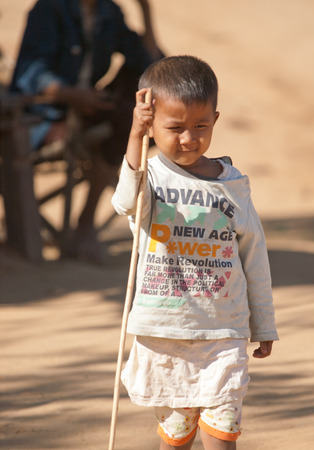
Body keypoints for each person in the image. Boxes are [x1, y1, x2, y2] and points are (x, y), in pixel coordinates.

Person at [111, 55, 279, 449]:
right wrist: (135, 137)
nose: (189, 138)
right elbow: (124, 201)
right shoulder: (148, 178)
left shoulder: (233, 185)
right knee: (178, 438)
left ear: (215, 120)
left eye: (201, 126)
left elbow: (254, 255)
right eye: (175, 128)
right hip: (163, 334)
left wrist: (264, 322)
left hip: (224, 331)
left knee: (221, 434)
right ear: (151, 124)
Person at [9, 0, 163, 262]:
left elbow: (151, 63)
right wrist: (72, 96)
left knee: (141, 97)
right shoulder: (49, 9)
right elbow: (30, 73)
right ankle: (84, 228)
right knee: (118, 126)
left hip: (89, 109)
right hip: (43, 113)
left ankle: (85, 223)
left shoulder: (108, 12)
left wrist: (146, 11)